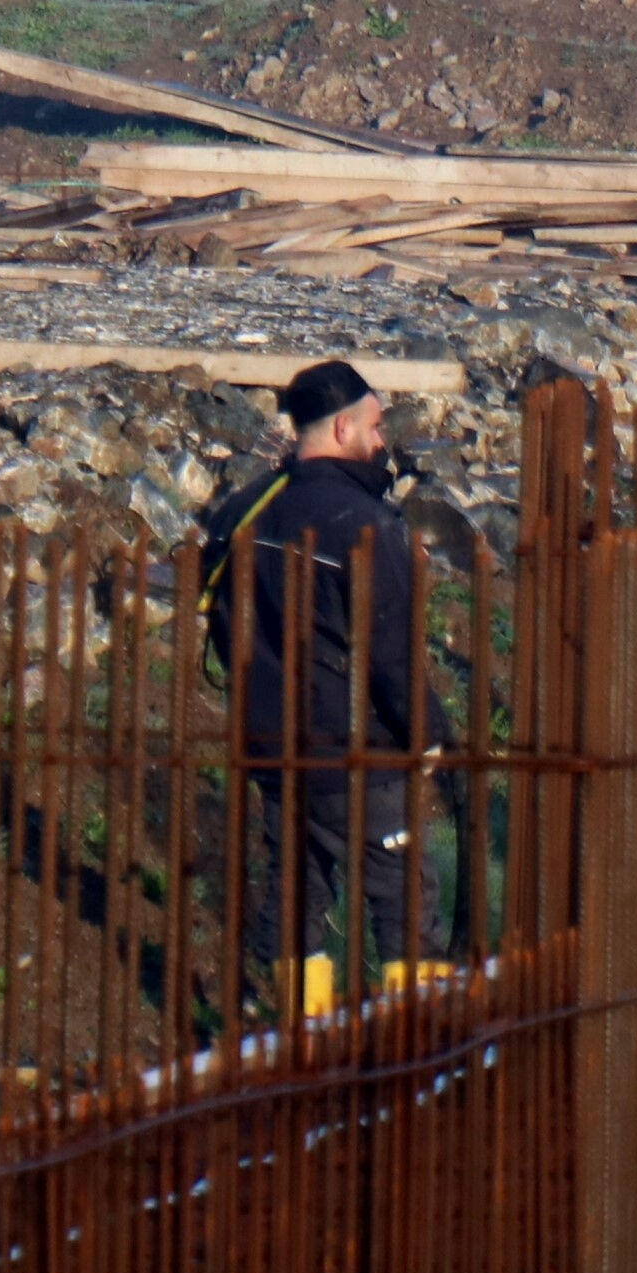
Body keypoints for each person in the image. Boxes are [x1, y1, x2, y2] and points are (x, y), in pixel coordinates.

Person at [198, 361, 429, 996]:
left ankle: (296, 1037)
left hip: (271, 743)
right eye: (377, 426)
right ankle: (419, 1039)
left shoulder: (241, 512)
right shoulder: (363, 524)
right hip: (354, 748)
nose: (383, 441)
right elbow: (391, 652)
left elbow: (217, 616)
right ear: (344, 426)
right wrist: (428, 732)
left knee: (296, 889)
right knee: (403, 896)